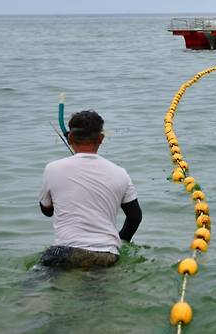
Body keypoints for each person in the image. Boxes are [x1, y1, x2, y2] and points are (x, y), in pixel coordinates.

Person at [38, 110, 142, 268]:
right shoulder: (120, 173)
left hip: (63, 252)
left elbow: (47, 211)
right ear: (101, 138)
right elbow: (135, 217)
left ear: (70, 138)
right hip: (106, 255)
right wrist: (120, 242)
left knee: (35, 284)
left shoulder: (52, 169)